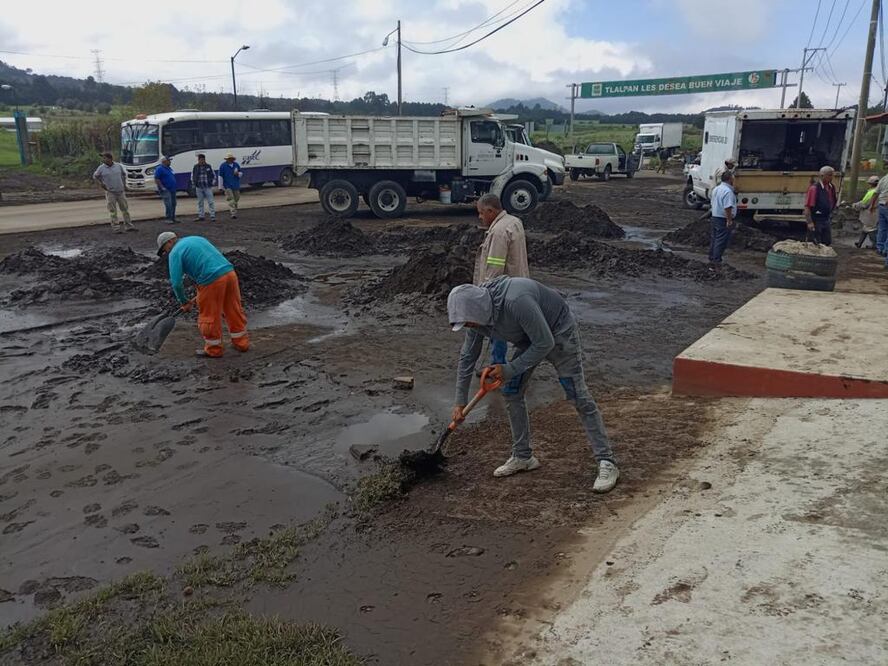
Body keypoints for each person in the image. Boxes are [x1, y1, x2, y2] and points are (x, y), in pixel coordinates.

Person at [448, 276, 619, 492]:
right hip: (528, 338)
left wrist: (509, 369)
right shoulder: (476, 317)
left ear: (476, 309)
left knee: (577, 394)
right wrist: (459, 402)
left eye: (469, 322)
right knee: (511, 391)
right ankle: (523, 456)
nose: (470, 326)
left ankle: (607, 461)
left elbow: (545, 342)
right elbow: (467, 358)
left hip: (558, 331)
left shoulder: (516, 300)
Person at [155, 232, 249, 358]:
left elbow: (177, 283)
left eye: (164, 249)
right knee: (233, 310)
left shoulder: (175, 252)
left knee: (209, 315)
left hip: (210, 280)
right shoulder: (197, 239)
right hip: (229, 273)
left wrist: (183, 301)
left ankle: (214, 349)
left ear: (169, 242)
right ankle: (241, 343)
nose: (166, 253)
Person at [474, 193, 529, 370]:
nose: (480, 217)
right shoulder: (514, 221)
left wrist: (486, 292)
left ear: (491, 211)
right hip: (518, 282)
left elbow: (495, 265)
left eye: (481, 213)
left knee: (498, 328)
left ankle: (498, 365)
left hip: (503, 289)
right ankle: (515, 363)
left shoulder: (498, 232)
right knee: (515, 327)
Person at [93, 152, 134, 234]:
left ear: (110, 158)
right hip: (110, 192)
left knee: (125, 209)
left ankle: (129, 226)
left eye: (105, 158)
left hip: (120, 191)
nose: (103, 159)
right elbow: (95, 176)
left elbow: (124, 174)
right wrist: (101, 184)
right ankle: (116, 227)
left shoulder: (118, 166)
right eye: (103, 158)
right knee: (112, 211)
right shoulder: (101, 168)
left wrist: (124, 185)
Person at [804, 166, 837, 245]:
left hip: (826, 218)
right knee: (815, 242)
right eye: (829, 175)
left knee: (826, 241)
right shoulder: (814, 188)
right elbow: (807, 206)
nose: (831, 177)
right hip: (816, 218)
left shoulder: (831, 187)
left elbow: (832, 200)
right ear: (822, 176)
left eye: (832, 175)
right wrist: (810, 222)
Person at [709, 171, 736, 266]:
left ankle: (712, 257)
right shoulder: (728, 192)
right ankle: (717, 260)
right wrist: (729, 220)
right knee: (721, 240)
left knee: (715, 238)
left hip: (715, 216)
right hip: (722, 218)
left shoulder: (717, 189)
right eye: (733, 178)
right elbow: (727, 207)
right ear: (730, 179)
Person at [852, 175, 880, 249]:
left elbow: (864, 203)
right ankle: (859, 243)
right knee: (865, 228)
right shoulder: (878, 191)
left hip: (870, 213)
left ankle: (875, 244)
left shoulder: (871, 192)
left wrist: (855, 205)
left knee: (870, 229)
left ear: (870, 184)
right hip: (875, 212)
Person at [191, 154, 217, 222]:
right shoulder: (195, 167)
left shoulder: (208, 166)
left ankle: (212, 216)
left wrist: (212, 183)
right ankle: (201, 216)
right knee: (200, 202)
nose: (202, 161)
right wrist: (194, 183)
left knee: (210, 201)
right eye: (200, 159)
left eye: (203, 159)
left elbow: (213, 175)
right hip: (199, 187)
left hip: (207, 187)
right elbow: (192, 175)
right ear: (198, 160)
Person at [154, 156, 178, 224]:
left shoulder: (169, 168)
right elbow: (157, 179)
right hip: (165, 189)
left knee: (173, 203)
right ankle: (168, 218)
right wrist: (162, 187)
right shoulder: (159, 169)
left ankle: (173, 217)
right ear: (164, 161)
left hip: (172, 188)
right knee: (168, 203)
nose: (170, 162)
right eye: (168, 160)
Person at [218, 153, 242, 219]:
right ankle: (233, 213)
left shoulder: (236, 165)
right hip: (227, 185)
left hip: (235, 184)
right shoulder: (223, 166)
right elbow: (220, 176)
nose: (230, 160)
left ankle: (234, 210)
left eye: (231, 159)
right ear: (227, 159)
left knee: (237, 198)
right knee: (231, 199)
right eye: (229, 159)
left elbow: (241, 173)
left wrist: (238, 174)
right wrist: (220, 186)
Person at [875, 170, 888, 256]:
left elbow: (876, 192)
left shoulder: (884, 178)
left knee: (882, 228)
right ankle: (886, 249)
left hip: (881, 205)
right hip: (887, 205)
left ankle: (879, 247)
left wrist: (872, 205)